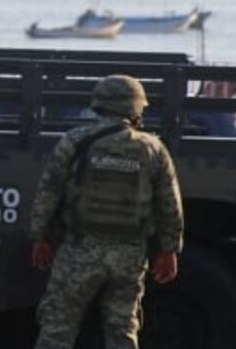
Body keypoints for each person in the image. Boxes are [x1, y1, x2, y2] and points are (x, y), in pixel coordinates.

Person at [28, 74, 184, 349]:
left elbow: (49, 191)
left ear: (98, 104)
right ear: (135, 106)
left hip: (79, 250)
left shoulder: (74, 141)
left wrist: (39, 236)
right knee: (123, 330)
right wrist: (169, 250)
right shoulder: (153, 148)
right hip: (129, 255)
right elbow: (169, 205)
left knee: (57, 328)